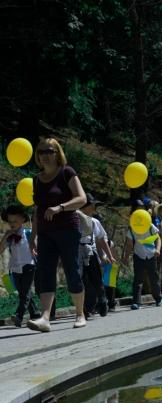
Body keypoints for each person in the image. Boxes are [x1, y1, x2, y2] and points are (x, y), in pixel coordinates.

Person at [27, 138, 87, 332]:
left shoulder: (66, 172)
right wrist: (33, 236)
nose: (45, 155)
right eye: (41, 152)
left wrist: (60, 207)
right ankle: (45, 318)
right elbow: (38, 210)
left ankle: (80, 314)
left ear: (57, 153)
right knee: (45, 272)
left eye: (49, 151)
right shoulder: (36, 179)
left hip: (68, 229)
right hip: (45, 233)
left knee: (72, 271)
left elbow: (82, 198)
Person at [0, 204, 40, 327]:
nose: (12, 224)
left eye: (15, 221)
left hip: (29, 265)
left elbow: (36, 248)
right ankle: (35, 314)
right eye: (10, 221)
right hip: (15, 268)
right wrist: (5, 236)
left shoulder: (28, 233)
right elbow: (1, 250)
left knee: (25, 292)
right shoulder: (10, 237)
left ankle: (19, 315)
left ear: (23, 219)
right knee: (24, 292)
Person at [79, 194, 115, 318]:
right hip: (78, 253)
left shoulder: (94, 221)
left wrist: (109, 255)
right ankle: (85, 308)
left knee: (96, 279)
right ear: (86, 206)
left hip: (91, 252)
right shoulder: (74, 221)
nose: (94, 207)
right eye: (93, 205)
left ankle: (103, 300)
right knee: (81, 281)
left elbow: (102, 240)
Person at [123, 209, 162, 310]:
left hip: (151, 255)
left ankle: (158, 299)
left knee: (154, 278)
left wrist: (158, 249)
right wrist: (126, 257)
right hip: (138, 256)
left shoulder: (150, 226)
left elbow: (158, 238)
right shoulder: (131, 229)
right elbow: (129, 245)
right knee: (137, 279)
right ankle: (136, 302)